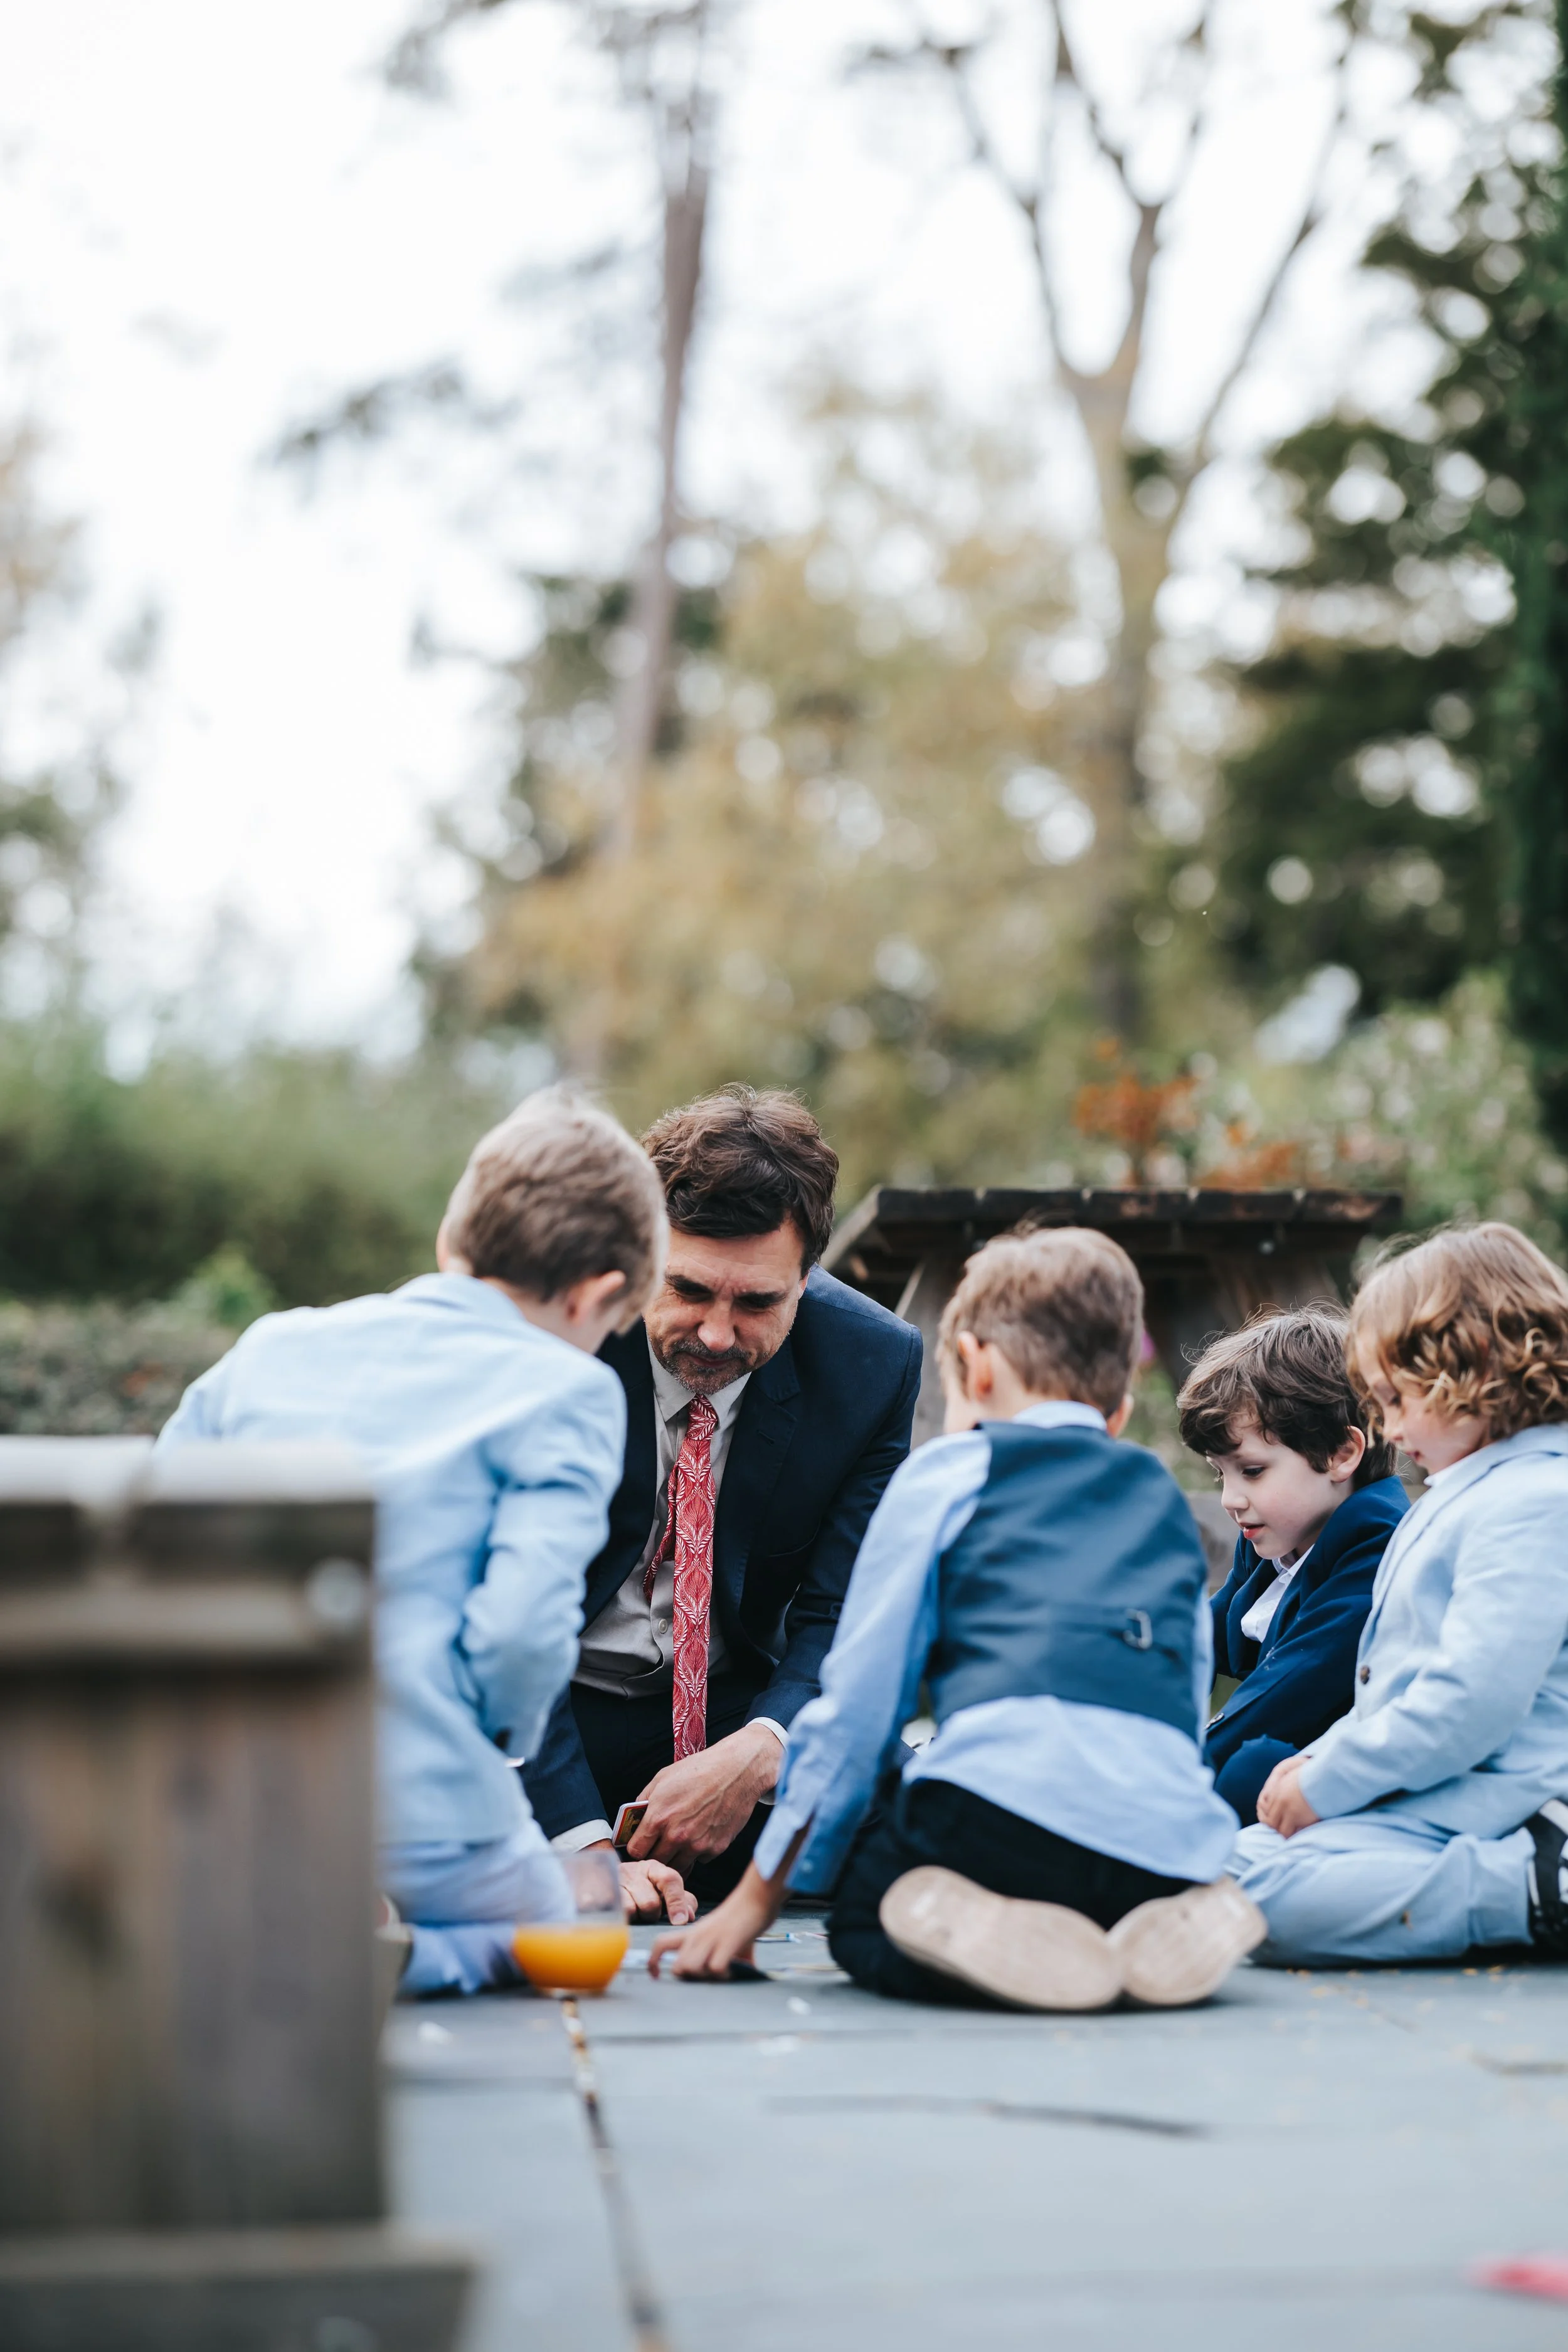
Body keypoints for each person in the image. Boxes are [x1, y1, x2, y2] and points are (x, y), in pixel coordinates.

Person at [652, 1227, 1264, 2011]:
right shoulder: (1157, 1498)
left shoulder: (950, 1474)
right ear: (1114, 1410)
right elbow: (1179, 1697)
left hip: (998, 1831)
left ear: (975, 1368)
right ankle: (1156, 1925)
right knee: (1106, 1858)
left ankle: (1001, 1940)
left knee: (868, 1916)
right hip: (1164, 1848)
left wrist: (753, 1904)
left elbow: (859, 1709)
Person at [156, 1088, 681, 1996]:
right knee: (566, 1927)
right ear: (598, 1295)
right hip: (430, 1814)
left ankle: (297, 1918)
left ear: (453, 1240)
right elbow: (519, 1630)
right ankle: (408, 1953)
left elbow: (156, 1546)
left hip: (230, 1794)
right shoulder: (566, 1389)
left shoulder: (270, 1346)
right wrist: (491, 1735)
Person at [523, 1086, 923, 1906]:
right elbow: (501, 1623)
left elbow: (843, 1611)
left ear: (808, 1276)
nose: (714, 1332)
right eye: (690, 1289)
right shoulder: (552, 1337)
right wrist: (585, 1847)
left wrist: (764, 1747)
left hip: (740, 1711)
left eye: (757, 1301)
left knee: (930, 1818)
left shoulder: (873, 1366)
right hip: (549, 1710)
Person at [1230, 1222, 1568, 1968]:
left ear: (1472, 1366)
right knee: (1232, 1865)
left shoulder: (1537, 1501)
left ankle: (1535, 1890)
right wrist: (1325, 1759)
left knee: (1262, 1900)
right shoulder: (1475, 1490)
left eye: (1394, 1397)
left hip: (1509, 1808)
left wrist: (1335, 1779)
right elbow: (1399, 1685)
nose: (1383, 1424)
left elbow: (1470, 1698)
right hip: (1441, 1796)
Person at [1177, 1308, 1408, 1826]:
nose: (1232, 1499)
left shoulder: (1376, 1553)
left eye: (1252, 1471)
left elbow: (1283, 1694)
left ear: (1340, 1454)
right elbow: (1207, 1634)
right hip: (1286, 1756)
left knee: (1248, 1768)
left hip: (1344, 1787)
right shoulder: (1277, 1540)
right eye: (1221, 1476)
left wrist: (1156, 1772)